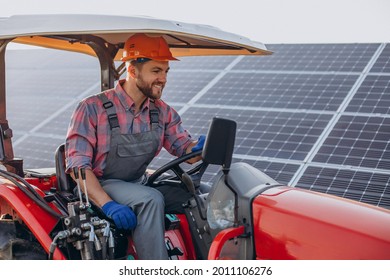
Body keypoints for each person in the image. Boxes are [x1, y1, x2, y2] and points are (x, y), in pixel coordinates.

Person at [65, 33, 204, 260]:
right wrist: (108, 204)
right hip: (99, 185)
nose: (163, 79)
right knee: (150, 199)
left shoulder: (162, 111)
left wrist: (198, 149)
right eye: (156, 71)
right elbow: (77, 168)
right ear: (132, 71)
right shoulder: (91, 108)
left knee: (200, 194)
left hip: (137, 183)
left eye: (166, 71)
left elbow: (184, 150)